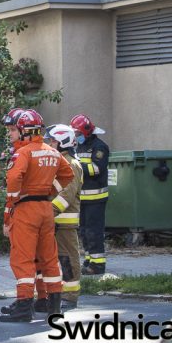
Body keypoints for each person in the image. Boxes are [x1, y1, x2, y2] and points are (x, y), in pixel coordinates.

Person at [0, 109, 74, 323]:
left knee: (23, 258)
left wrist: (13, 199)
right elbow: (67, 174)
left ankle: (24, 306)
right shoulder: (52, 151)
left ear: (23, 130)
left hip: (26, 209)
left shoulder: (24, 153)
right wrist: (50, 190)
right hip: (45, 208)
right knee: (49, 258)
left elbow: (14, 178)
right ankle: (54, 305)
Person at [45, 123, 84, 310]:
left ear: (63, 141)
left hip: (64, 222)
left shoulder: (72, 165)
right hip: (51, 221)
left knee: (68, 259)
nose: (49, 144)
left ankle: (70, 295)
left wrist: (48, 212)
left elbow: (67, 195)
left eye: (52, 141)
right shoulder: (57, 162)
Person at [70, 113, 110, 275]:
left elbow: (96, 169)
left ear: (86, 132)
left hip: (96, 199)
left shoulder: (99, 147)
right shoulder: (79, 146)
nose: (76, 137)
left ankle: (98, 265)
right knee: (84, 232)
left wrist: (76, 167)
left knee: (94, 232)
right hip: (82, 199)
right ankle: (89, 260)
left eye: (78, 134)